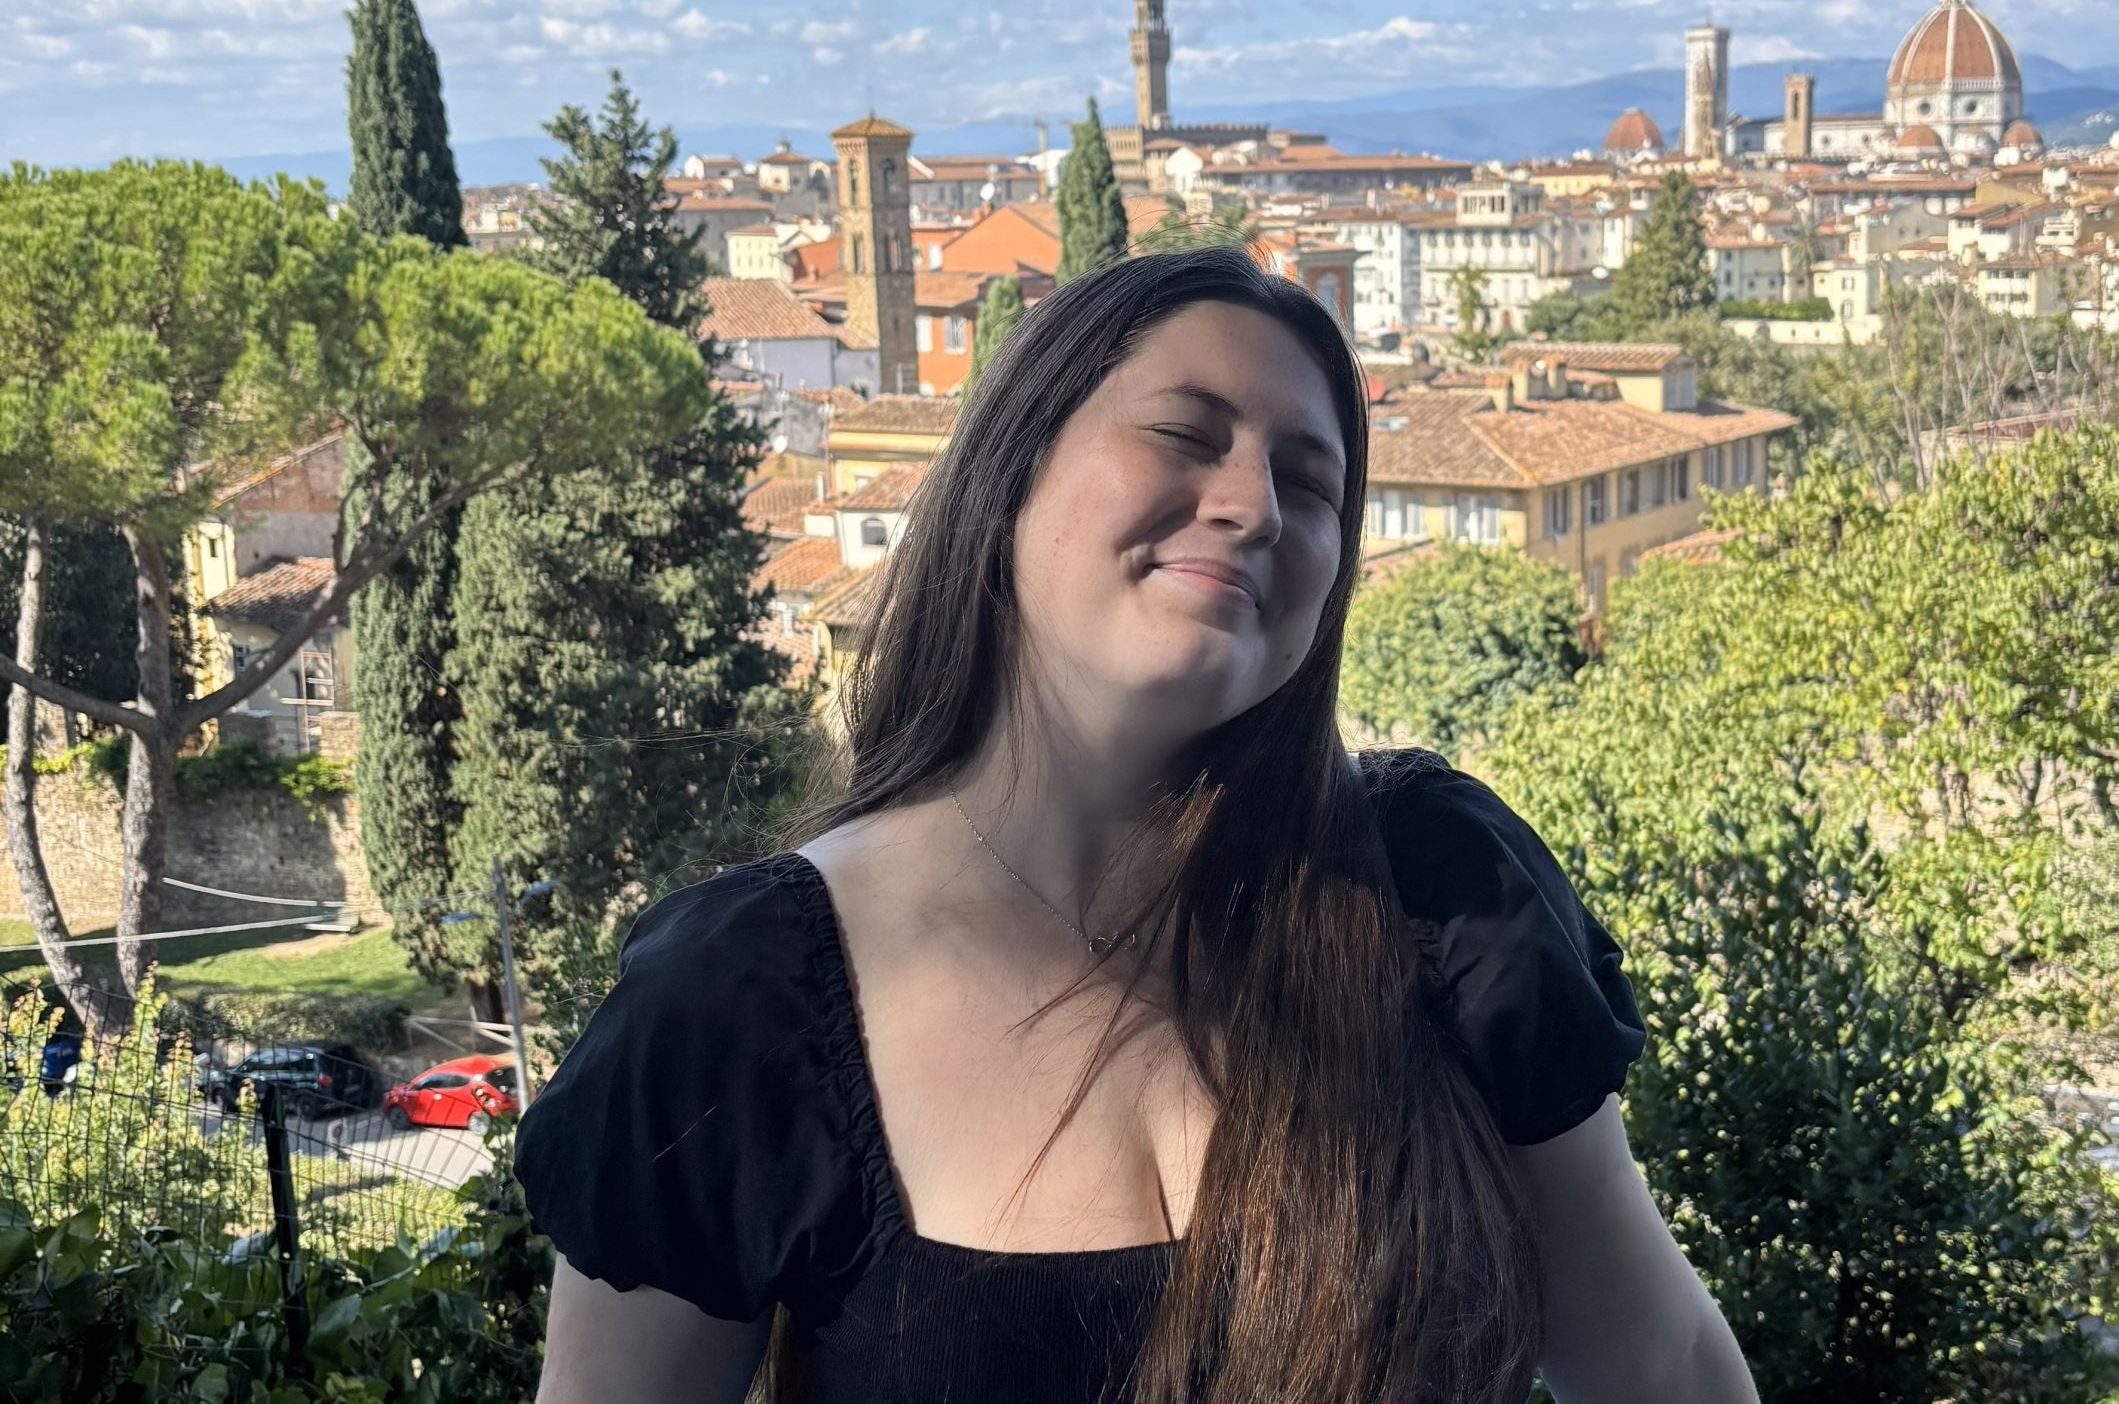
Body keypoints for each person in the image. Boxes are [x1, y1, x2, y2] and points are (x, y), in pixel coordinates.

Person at [517, 246, 1756, 1403]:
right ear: (1011, 473)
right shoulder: (738, 1001)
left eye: (1309, 483)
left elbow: (1660, 1361)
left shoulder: (1438, 888)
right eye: (1184, 434)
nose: (1254, 505)